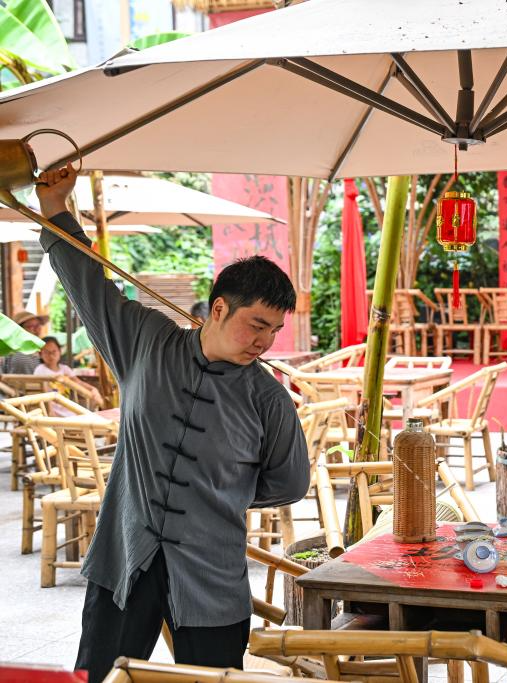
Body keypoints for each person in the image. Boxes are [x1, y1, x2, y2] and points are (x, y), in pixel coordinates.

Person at [35, 163, 310, 683]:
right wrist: (55, 208)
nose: (265, 341)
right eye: (256, 324)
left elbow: (290, 482)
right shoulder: (145, 342)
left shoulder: (269, 400)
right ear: (218, 308)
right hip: (125, 556)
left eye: (274, 330)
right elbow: (89, 284)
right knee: (98, 678)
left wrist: (222, 491)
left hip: (212, 574)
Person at [34, 335, 104, 413]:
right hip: (51, 413)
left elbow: (79, 383)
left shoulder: (65, 369)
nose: (51, 355)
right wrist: (51, 414)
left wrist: (93, 389)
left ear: (59, 351)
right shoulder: (40, 370)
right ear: (40, 354)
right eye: (47, 352)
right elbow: (42, 396)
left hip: (67, 410)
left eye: (54, 351)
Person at [2, 309, 48, 374]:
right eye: (30, 326)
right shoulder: (19, 354)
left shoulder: (41, 348)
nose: (36, 329)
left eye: (38, 325)